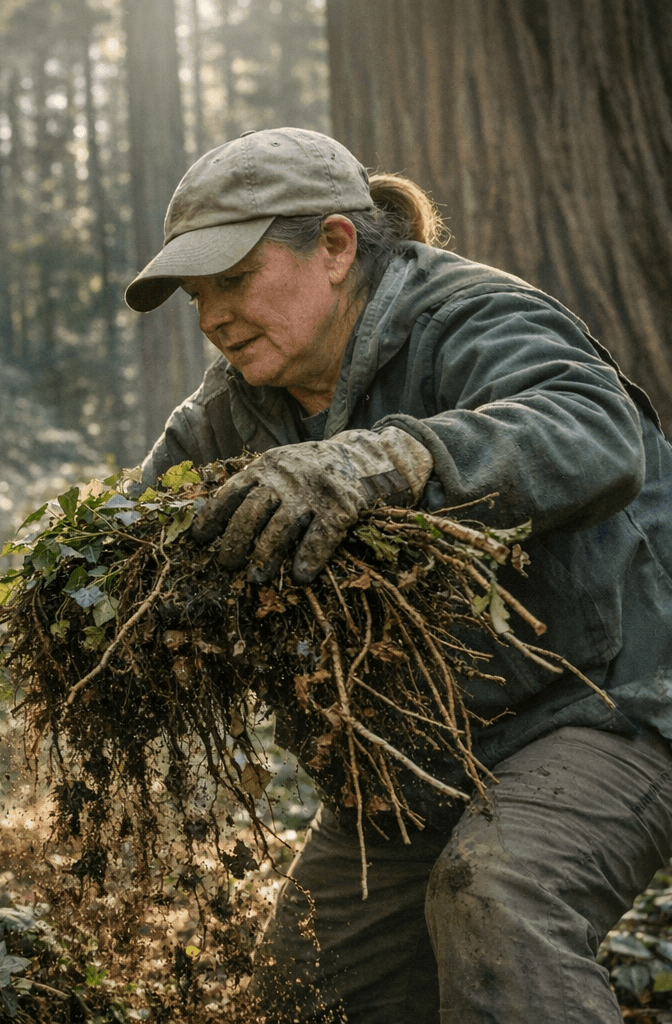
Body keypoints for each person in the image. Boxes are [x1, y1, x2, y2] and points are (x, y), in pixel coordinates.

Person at [124, 126, 672, 1023]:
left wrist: (392, 458)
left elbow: (593, 431)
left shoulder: (468, 315)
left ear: (337, 246)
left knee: (497, 895)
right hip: (417, 748)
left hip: (611, 698)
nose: (212, 316)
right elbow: (140, 527)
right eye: (196, 295)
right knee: (309, 985)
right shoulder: (232, 407)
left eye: (235, 278)